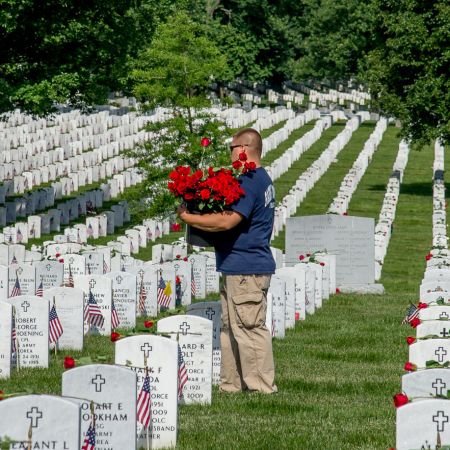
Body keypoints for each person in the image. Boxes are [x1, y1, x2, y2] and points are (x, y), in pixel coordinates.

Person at [177, 128, 277, 394]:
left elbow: (228, 220)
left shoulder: (251, 180)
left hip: (246, 267)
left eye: (232, 148)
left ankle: (262, 389)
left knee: (249, 328)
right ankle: (232, 385)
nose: (229, 154)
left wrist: (189, 218)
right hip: (239, 266)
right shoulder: (262, 179)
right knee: (231, 329)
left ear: (243, 149)